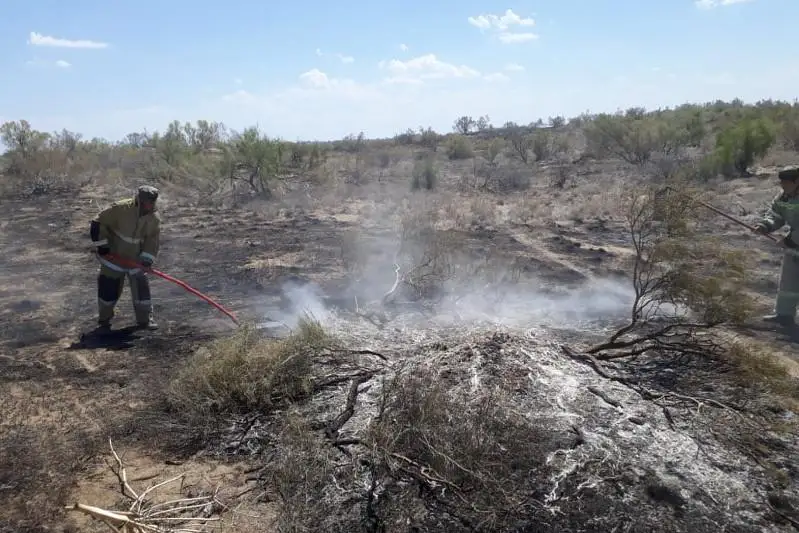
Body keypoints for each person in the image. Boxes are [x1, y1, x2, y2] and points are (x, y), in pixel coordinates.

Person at [89, 185, 161, 331]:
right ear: (139, 200)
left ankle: (145, 320)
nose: (149, 206)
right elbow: (98, 223)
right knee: (108, 291)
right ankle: (104, 320)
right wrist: (103, 247)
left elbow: (152, 240)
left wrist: (147, 260)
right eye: (146, 203)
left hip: (136, 261)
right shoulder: (120, 209)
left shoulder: (153, 218)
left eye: (151, 203)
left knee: (142, 292)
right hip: (113, 258)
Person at [753, 165, 799, 327]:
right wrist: (765, 226)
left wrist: (789, 241)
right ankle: (784, 315)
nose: (782, 185)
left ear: (797, 181)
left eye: (786, 182)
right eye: (781, 182)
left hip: (795, 241)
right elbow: (775, 215)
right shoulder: (783, 197)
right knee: (789, 281)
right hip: (795, 246)